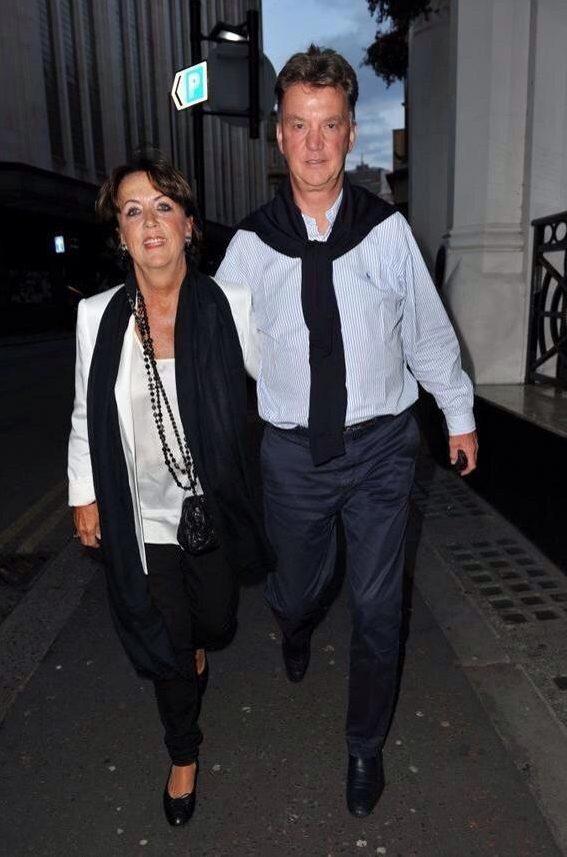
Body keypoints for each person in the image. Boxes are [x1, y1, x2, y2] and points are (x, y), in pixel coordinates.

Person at [216, 45, 478, 817]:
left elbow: (427, 333)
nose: (315, 142)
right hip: (292, 455)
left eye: (329, 125)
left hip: (380, 449)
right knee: (295, 589)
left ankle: (364, 748)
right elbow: (215, 352)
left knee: (375, 607)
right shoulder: (250, 246)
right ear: (279, 133)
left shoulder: (385, 232)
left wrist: (457, 412)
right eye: (299, 125)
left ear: (351, 130)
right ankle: (294, 626)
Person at [68, 150, 272, 827]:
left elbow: (280, 386)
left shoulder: (232, 305)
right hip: (140, 515)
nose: (148, 221)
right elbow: (83, 414)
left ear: (188, 223)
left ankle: (195, 645)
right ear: (120, 232)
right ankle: (183, 752)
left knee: (214, 623)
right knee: (165, 643)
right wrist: (83, 492)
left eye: (162, 206)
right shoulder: (96, 316)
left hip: (209, 509)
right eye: (132, 210)